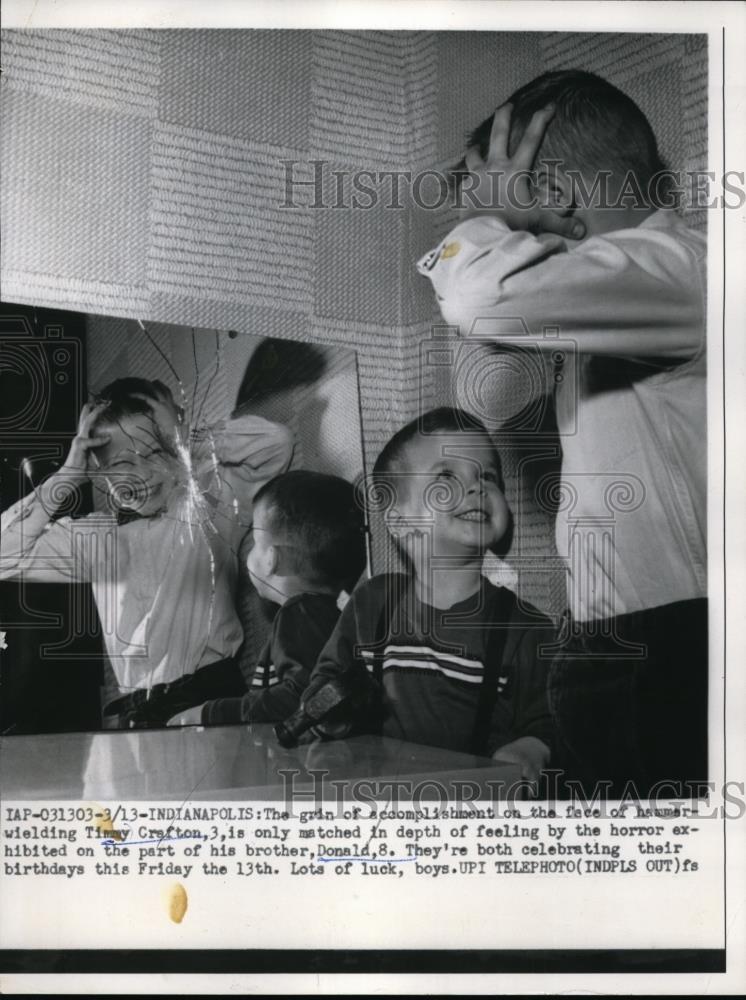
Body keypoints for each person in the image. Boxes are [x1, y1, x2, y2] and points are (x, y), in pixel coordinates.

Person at [417, 70, 707, 795]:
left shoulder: (687, 269)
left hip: (674, 652)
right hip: (627, 649)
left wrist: (488, 222)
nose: (503, 237)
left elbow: (482, 293)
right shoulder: (634, 299)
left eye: (509, 211)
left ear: (552, 199)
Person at [0, 377, 294, 727]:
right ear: (99, 471)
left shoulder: (210, 500)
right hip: (134, 718)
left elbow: (276, 445)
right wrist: (67, 475)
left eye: (153, 452)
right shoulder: (96, 537)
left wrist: (186, 440)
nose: (140, 475)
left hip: (208, 699)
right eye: (120, 463)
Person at [300, 407, 555, 783]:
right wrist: (328, 712)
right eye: (447, 476)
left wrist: (531, 748)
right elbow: (328, 679)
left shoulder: (527, 628)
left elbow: (549, 719)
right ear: (400, 521)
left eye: (488, 476)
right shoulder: (372, 603)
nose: (477, 486)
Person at [173, 469, 367, 727]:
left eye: (254, 541)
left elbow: (306, 699)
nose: (248, 553)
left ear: (271, 559)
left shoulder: (300, 614)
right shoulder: (324, 616)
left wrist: (213, 712)